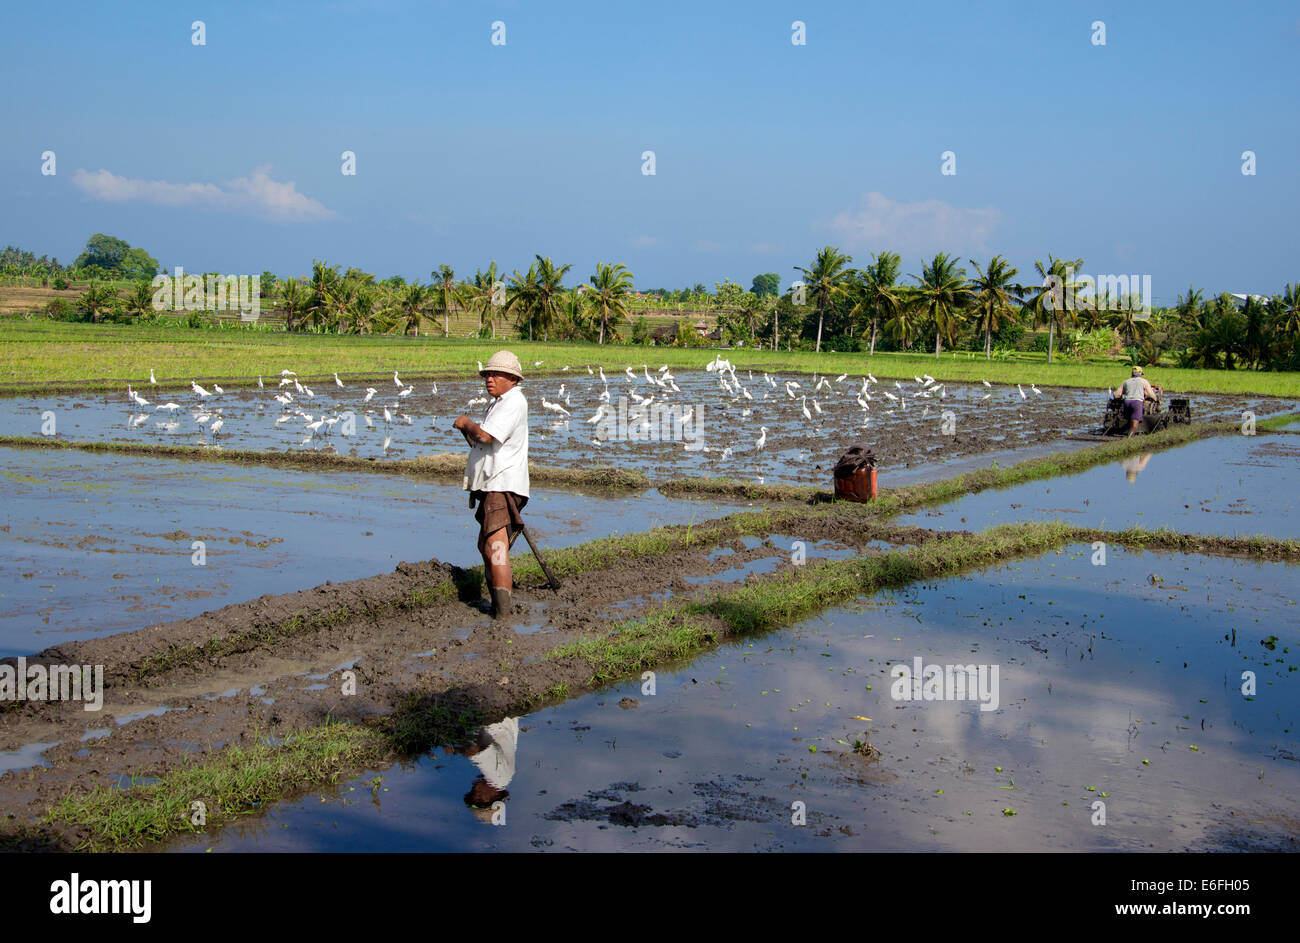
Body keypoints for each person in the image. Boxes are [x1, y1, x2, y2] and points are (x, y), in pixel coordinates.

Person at [453, 351, 529, 620]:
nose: (489, 378)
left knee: (496, 547)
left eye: (496, 374)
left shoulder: (512, 403)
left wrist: (466, 423)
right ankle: (499, 606)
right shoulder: (499, 403)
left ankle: (503, 614)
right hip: (493, 483)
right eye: (487, 374)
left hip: (501, 484)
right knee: (486, 545)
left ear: (512, 378)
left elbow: (484, 434)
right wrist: (469, 431)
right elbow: (485, 441)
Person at [1113, 366, 1156, 437]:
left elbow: (1117, 394)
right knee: (1134, 424)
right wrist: (1155, 398)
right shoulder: (1144, 381)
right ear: (1140, 373)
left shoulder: (1126, 382)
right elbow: (1151, 394)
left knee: (1129, 420)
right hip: (1137, 402)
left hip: (1127, 402)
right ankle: (1130, 438)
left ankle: (1126, 432)